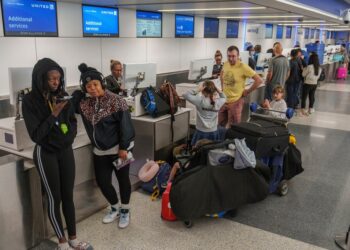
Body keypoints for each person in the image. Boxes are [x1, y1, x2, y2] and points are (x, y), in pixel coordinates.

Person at [22, 58, 92, 250]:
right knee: (55, 198)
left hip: (65, 150)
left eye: (58, 78)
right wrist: (53, 115)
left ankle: (73, 239)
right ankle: (62, 244)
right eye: (52, 79)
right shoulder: (29, 101)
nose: (56, 82)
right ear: (41, 79)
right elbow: (36, 135)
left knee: (68, 196)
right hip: (46, 153)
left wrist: (68, 138)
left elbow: (72, 122)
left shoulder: (63, 96)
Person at [73, 63, 135, 229]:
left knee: (123, 181)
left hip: (119, 150)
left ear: (102, 84)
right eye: (88, 86)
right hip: (99, 151)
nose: (92, 88)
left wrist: (124, 147)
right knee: (102, 182)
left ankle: (125, 210)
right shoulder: (85, 104)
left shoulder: (117, 101)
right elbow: (72, 107)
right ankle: (114, 206)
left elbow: (126, 126)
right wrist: (76, 95)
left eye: (95, 84)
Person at [219, 45, 263, 127]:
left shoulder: (243, 67)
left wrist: (248, 91)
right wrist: (222, 88)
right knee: (220, 124)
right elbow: (222, 76)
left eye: (233, 56)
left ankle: (233, 140)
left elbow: (259, 80)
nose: (231, 58)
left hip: (236, 101)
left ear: (238, 56)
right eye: (229, 56)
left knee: (234, 127)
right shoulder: (225, 64)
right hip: (224, 100)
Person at [183, 80, 226, 146]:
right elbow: (224, 97)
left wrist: (197, 90)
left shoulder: (199, 100)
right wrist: (218, 90)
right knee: (211, 151)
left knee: (197, 151)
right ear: (214, 90)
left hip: (201, 132)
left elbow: (185, 95)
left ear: (203, 91)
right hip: (213, 131)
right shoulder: (218, 102)